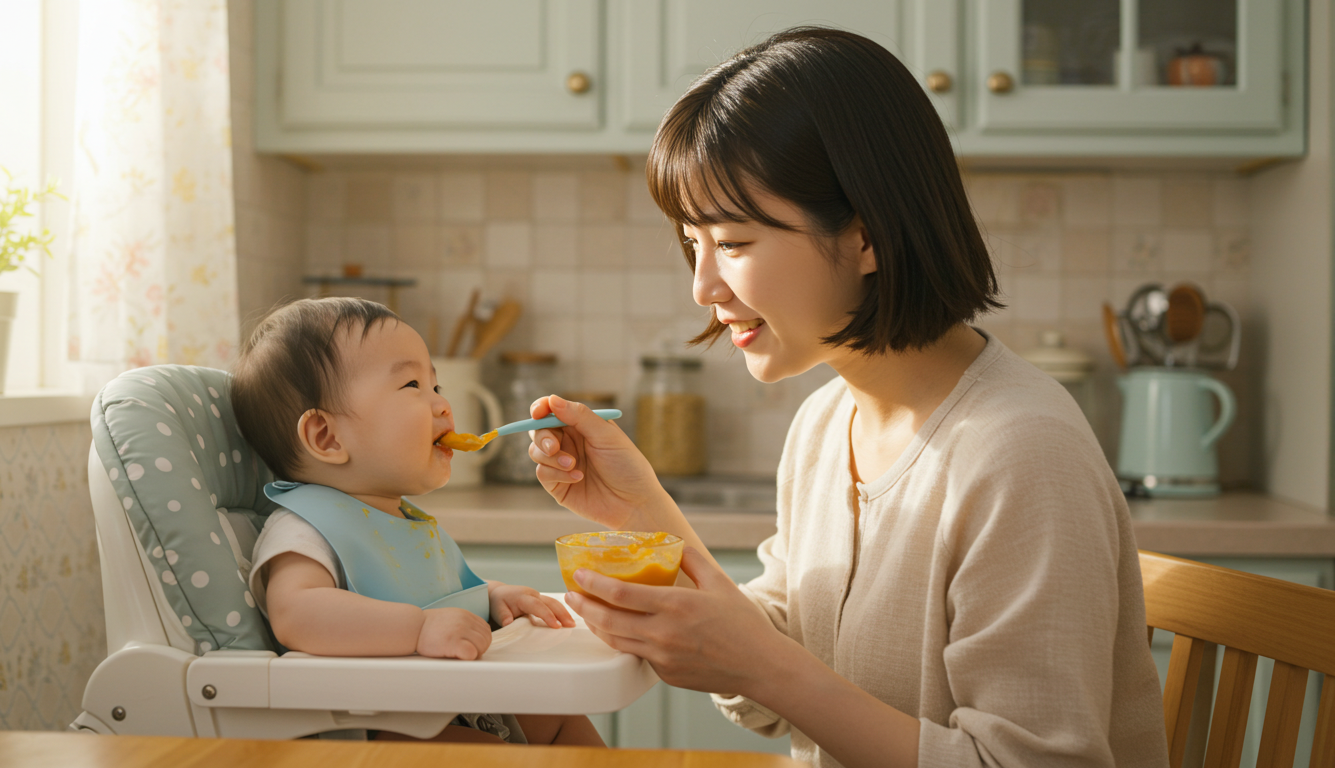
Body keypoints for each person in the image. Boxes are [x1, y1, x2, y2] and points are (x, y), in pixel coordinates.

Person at [522, 27, 1167, 768]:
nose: (702, 289)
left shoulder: (1020, 452)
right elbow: (773, 683)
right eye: (692, 244)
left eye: (731, 243)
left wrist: (763, 666)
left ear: (866, 237)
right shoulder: (829, 423)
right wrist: (645, 514)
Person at [230, 297, 604, 747]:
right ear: (326, 437)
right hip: (373, 726)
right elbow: (297, 613)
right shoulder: (308, 526)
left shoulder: (402, 519)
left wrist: (490, 596)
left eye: (436, 386)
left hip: (449, 704)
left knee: (563, 719)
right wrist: (419, 629)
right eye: (412, 385)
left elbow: (428, 592)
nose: (443, 406)